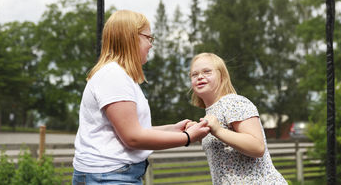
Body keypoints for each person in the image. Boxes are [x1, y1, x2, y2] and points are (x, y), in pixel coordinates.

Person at [72, 10, 210, 185]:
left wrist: (173, 129)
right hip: (109, 176)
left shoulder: (120, 76)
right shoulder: (113, 76)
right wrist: (187, 137)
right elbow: (133, 138)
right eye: (148, 38)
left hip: (110, 175)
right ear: (130, 38)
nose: (151, 45)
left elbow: (134, 130)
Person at [188, 52, 287, 184]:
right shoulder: (211, 112)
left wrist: (218, 131)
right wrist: (198, 134)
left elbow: (257, 147)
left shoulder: (234, 103)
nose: (200, 76)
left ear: (222, 76)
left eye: (207, 72)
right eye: (194, 74)